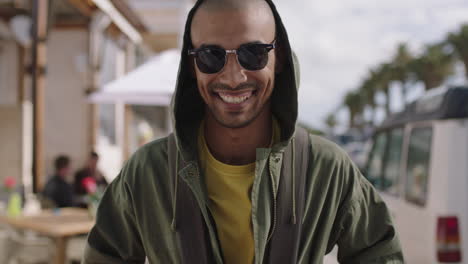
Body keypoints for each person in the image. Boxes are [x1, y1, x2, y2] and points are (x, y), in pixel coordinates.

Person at [83, 0, 404, 263]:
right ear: (192, 65)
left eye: (253, 53)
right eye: (211, 56)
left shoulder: (326, 168)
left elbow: (379, 252)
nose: (234, 76)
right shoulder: (147, 172)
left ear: (279, 58)